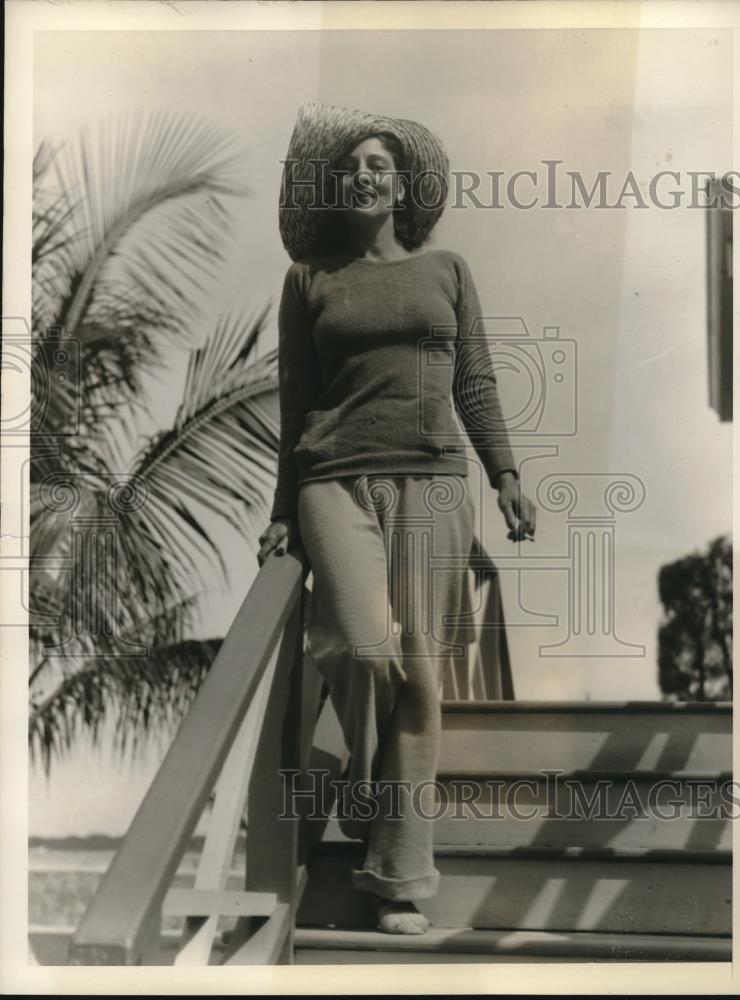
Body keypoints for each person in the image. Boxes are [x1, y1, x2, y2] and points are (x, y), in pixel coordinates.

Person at [257, 101, 537, 935]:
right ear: (334, 188)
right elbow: (297, 401)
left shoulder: (446, 270)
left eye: (379, 162)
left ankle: (399, 881)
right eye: (349, 166)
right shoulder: (310, 280)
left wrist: (507, 476)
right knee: (356, 642)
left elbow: (476, 383)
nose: (365, 173)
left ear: (403, 182)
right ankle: (371, 794)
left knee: (421, 674)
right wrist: (283, 510)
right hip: (332, 481)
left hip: (436, 483)